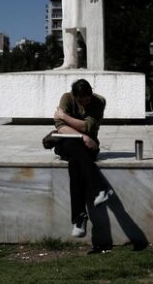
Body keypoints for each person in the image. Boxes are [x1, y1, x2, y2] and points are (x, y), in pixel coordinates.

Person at [53, 79, 112, 238]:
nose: (84, 103)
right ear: (75, 96)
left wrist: (65, 116)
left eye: (87, 99)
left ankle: (79, 219)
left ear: (91, 94)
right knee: (75, 147)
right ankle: (100, 187)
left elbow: (88, 126)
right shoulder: (67, 98)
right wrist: (82, 137)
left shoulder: (99, 101)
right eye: (81, 100)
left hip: (89, 146)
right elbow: (60, 126)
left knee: (75, 162)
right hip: (70, 143)